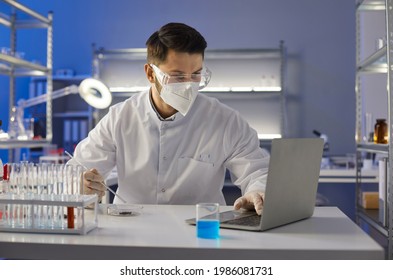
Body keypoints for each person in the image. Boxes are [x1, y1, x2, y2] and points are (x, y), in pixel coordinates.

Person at [69, 22, 269, 215]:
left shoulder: (225, 120)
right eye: (178, 77)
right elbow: (77, 170)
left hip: (201, 230)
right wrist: (81, 184)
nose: (189, 85)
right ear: (150, 73)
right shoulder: (120, 118)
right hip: (132, 229)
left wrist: (258, 191)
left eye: (196, 75)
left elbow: (257, 171)